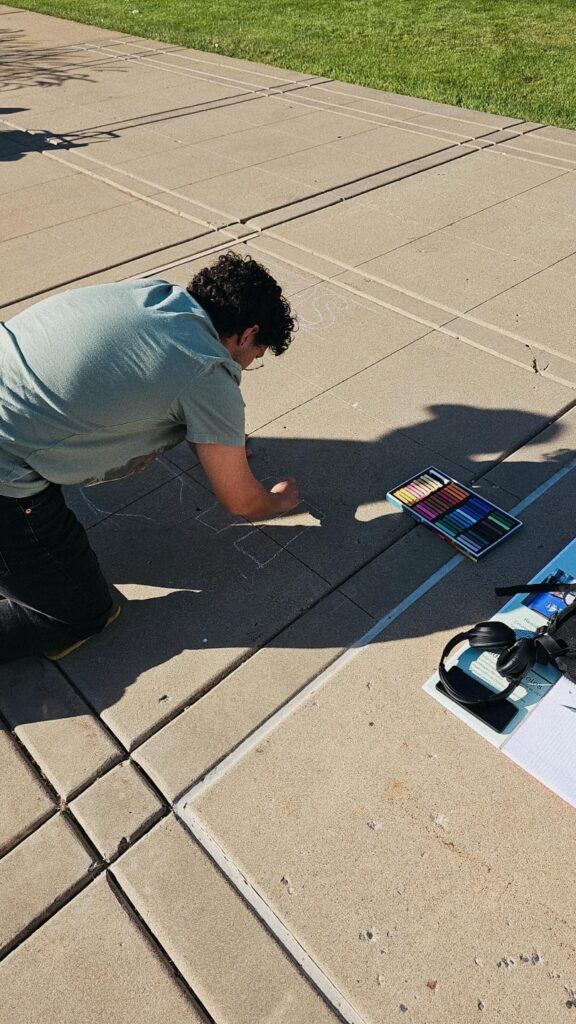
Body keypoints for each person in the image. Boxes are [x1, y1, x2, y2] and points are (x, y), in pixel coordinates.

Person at [0, 251, 300, 664]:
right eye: (255, 357)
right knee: (81, 614)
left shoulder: (154, 293)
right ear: (247, 334)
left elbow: (148, 377)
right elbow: (242, 501)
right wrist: (280, 500)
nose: (248, 365)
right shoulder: (207, 373)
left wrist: (218, 436)